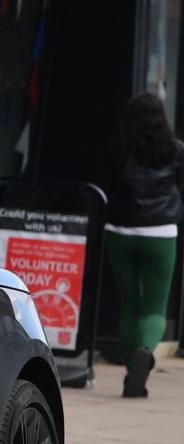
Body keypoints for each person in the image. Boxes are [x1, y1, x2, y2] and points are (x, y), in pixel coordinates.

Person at [103, 92, 183, 398]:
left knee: (130, 306)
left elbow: (108, 185)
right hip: (160, 233)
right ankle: (145, 353)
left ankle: (129, 369)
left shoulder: (117, 149)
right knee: (155, 309)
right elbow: (179, 186)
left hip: (121, 231)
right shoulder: (175, 150)